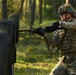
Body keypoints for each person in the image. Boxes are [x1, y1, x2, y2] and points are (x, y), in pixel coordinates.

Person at [32, 3, 76, 75]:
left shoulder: (73, 22)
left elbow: (72, 26)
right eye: (61, 14)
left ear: (69, 14)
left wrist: (60, 23)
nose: (61, 16)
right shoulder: (59, 28)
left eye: (63, 14)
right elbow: (55, 43)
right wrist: (44, 34)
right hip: (64, 60)